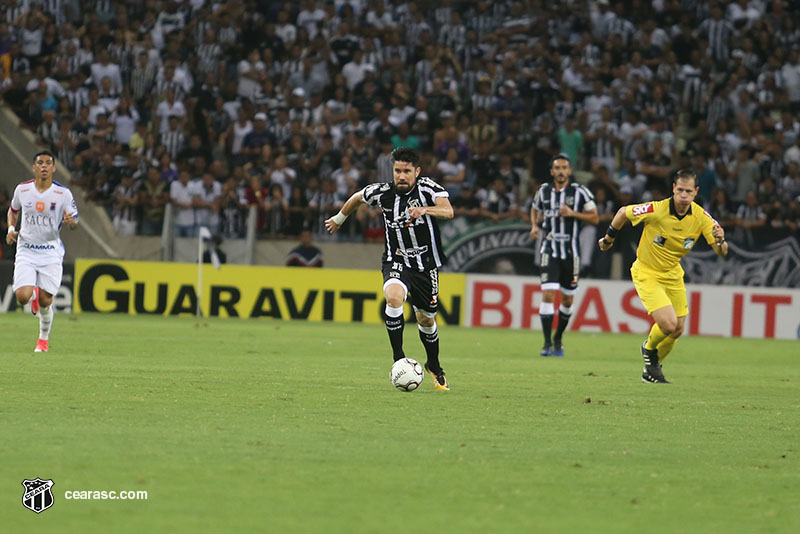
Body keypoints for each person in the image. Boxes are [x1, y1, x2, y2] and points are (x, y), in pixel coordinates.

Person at [325, 147, 453, 391]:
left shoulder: (428, 189)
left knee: (425, 319)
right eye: (397, 171)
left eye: (406, 171)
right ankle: (398, 360)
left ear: (417, 171)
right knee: (393, 297)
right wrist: (339, 219)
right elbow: (356, 198)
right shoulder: (381, 192)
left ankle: (434, 365)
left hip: (426, 266)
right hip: (397, 259)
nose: (401, 176)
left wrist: (424, 210)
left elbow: (448, 211)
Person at [598, 169, 728, 383]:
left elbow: (721, 252)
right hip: (647, 272)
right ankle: (648, 348)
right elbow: (622, 212)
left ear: (695, 192)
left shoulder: (702, 218)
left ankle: (651, 371)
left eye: (688, 191)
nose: (684, 195)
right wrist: (608, 239)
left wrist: (721, 241)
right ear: (673, 190)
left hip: (673, 273)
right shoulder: (656, 209)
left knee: (677, 330)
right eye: (680, 190)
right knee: (668, 325)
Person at [6, 151, 79, 352]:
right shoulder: (23, 190)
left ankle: (43, 340)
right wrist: (11, 229)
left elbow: (74, 221)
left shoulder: (63, 194)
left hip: (50, 251)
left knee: (47, 300)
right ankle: (33, 299)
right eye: (40, 162)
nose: (44, 166)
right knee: (22, 296)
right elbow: (12, 211)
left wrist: (72, 223)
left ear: (54, 168)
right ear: (34, 167)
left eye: (48, 163)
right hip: (26, 249)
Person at [530, 154, 599, 357]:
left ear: (569, 171)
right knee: (548, 294)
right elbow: (534, 209)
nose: (561, 171)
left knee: (567, 300)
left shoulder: (580, 192)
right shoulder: (543, 191)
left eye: (564, 168)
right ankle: (546, 343)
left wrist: (573, 214)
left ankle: (558, 337)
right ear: (552, 172)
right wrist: (534, 225)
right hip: (549, 249)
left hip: (571, 253)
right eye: (557, 168)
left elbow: (595, 217)